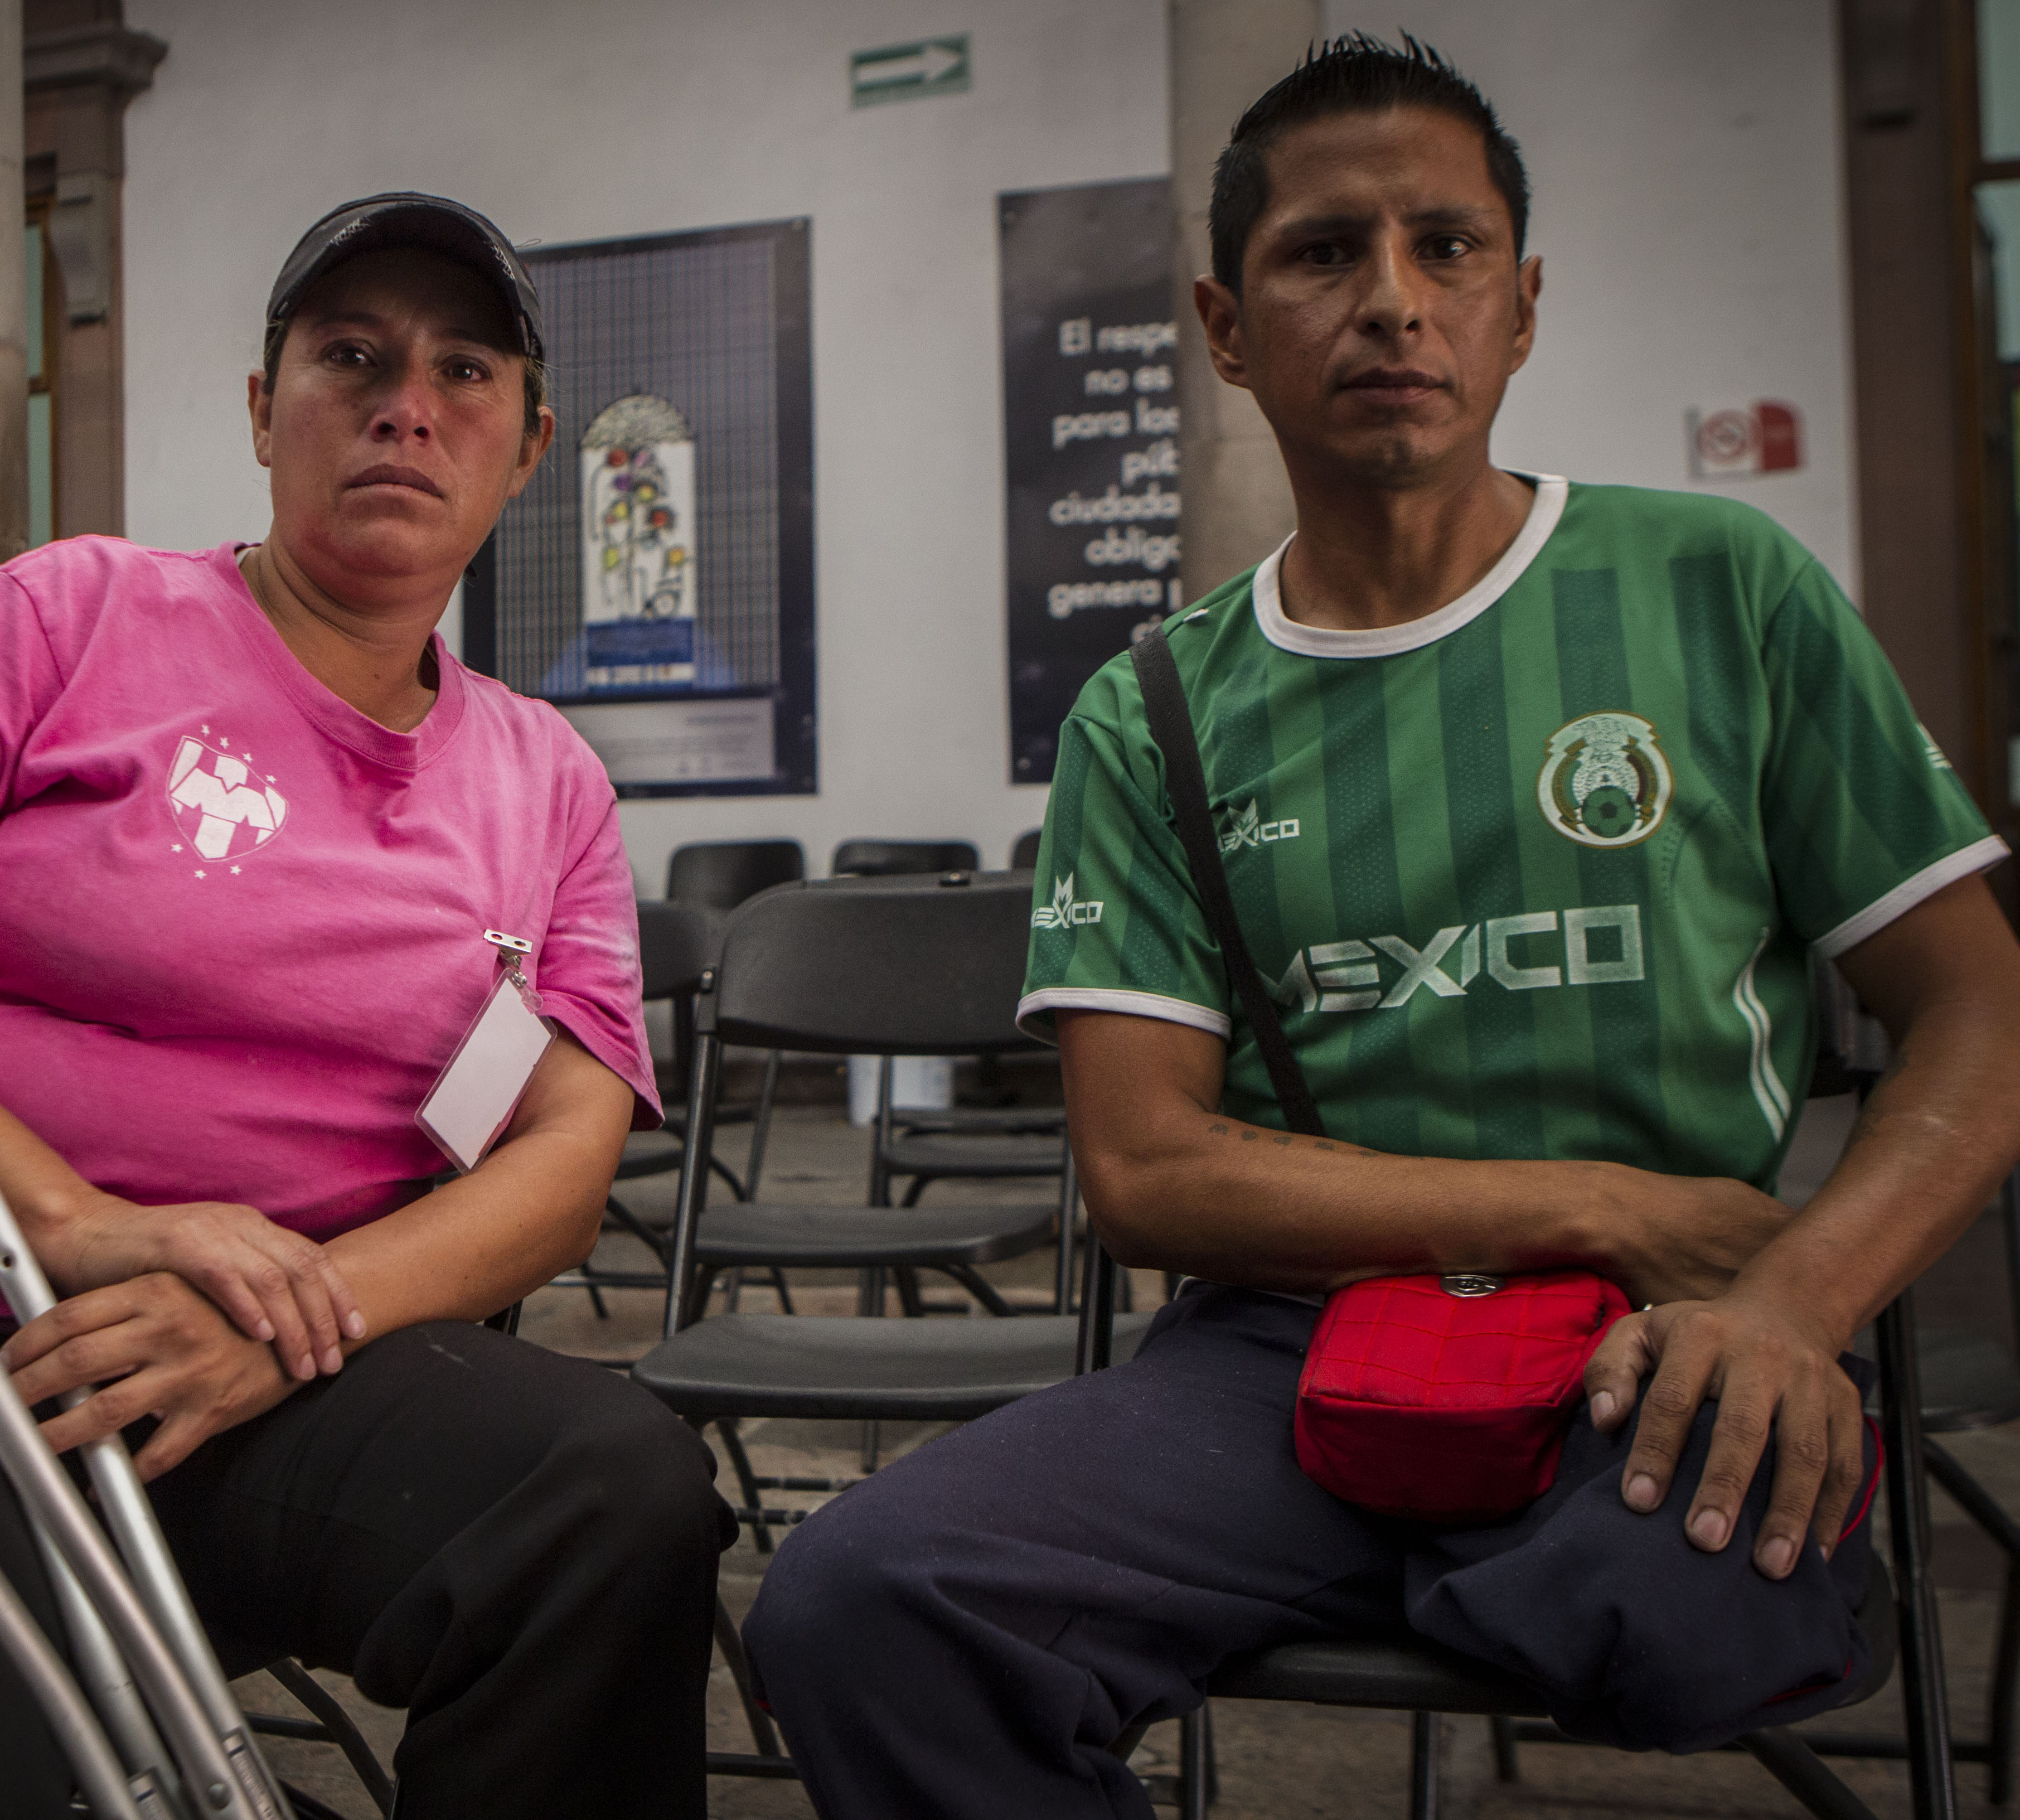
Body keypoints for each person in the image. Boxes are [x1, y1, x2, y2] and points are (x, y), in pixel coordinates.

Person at [743, 35, 2020, 1816]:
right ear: (1226, 325)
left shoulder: (1722, 593)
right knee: (855, 1604)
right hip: (1295, 1354)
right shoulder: (1154, 711)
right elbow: (1150, 1174)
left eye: (1450, 246)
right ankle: (1434, 1549)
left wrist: (1792, 1305)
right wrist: (1597, 1201)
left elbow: (1976, 1013)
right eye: (1326, 253)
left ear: (1523, 304)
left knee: (1669, 1615)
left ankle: (1460, 1551)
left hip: (1663, 1331)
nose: (1395, 300)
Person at [0, 193, 733, 1820]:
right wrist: (78, 1226)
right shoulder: (63, 620)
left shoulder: (546, 780)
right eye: (351, 358)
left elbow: (563, 1158)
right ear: (266, 410)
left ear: (530, 448)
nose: (407, 406)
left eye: (463, 371)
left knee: (612, 1494)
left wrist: (291, 1318)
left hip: (254, 1370)